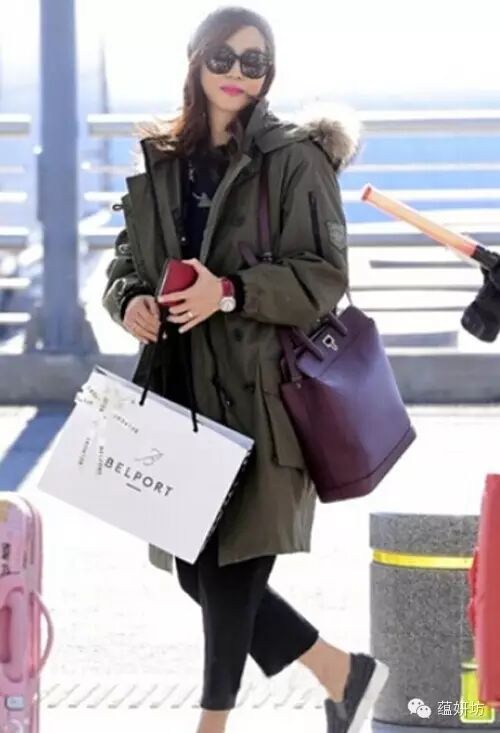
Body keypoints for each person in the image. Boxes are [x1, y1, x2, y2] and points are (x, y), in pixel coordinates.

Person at [102, 7, 389, 733]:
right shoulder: (163, 159)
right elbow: (126, 261)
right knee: (196, 569)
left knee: (231, 570)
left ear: (270, 74)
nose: (237, 73)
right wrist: (130, 300)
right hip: (178, 388)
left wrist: (228, 291)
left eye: (254, 61)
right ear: (196, 60)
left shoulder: (295, 159)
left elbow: (323, 275)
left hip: (260, 396)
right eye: (223, 57)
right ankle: (342, 673)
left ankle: (214, 723)